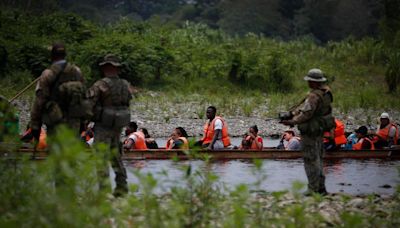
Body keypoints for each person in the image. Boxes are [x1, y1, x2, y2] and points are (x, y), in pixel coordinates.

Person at [281, 68, 334, 195]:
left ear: (314, 82)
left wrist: (291, 122)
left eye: (310, 81)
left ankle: (313, 189)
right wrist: (294, 114)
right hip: (319, 130)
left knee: (311, 159)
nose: (308, 83)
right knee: (319, 159)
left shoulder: (314, 96)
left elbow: (306, 115)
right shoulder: (326, 93)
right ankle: (321, 188)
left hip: (310, 131)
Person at [87, 54, 132, 197]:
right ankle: (122, 187)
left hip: (103, 125)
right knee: (116, 156)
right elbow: (127, 103)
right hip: (118, 126)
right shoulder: (125, 85)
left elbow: (89, 105)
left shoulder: (100, 85)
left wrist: (84, 123)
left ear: (107, 67)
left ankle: (104, 190)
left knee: (101, 157)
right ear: (117, 68)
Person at [30, 42, 87, 140]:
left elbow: (40, 101)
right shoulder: (77, 71)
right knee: (72, 152)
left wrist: (35, 125)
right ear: (65, 55)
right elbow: (84, 97)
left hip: (55, 121)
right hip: (74, 121)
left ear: (52, 56)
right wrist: (83, 121)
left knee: (56, 152)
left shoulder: (48, 74)